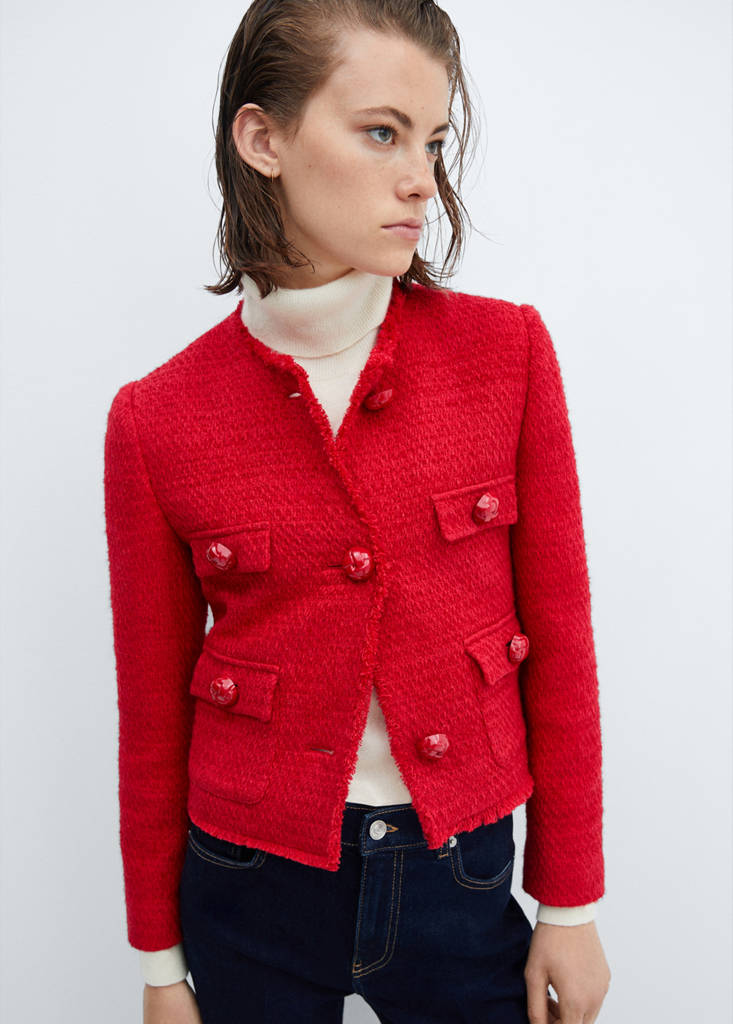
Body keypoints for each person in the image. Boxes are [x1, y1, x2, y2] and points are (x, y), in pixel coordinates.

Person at [103, 1, 612, 1022]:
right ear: (264, 140)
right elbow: (152, 715)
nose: (420, 176)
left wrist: (570, 903)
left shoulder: (504, 356)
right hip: (247, 882)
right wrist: (159, 966)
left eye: (432, 141)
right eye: (381, 132)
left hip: (459, 870)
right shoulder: (155, 419)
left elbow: (561, 641)